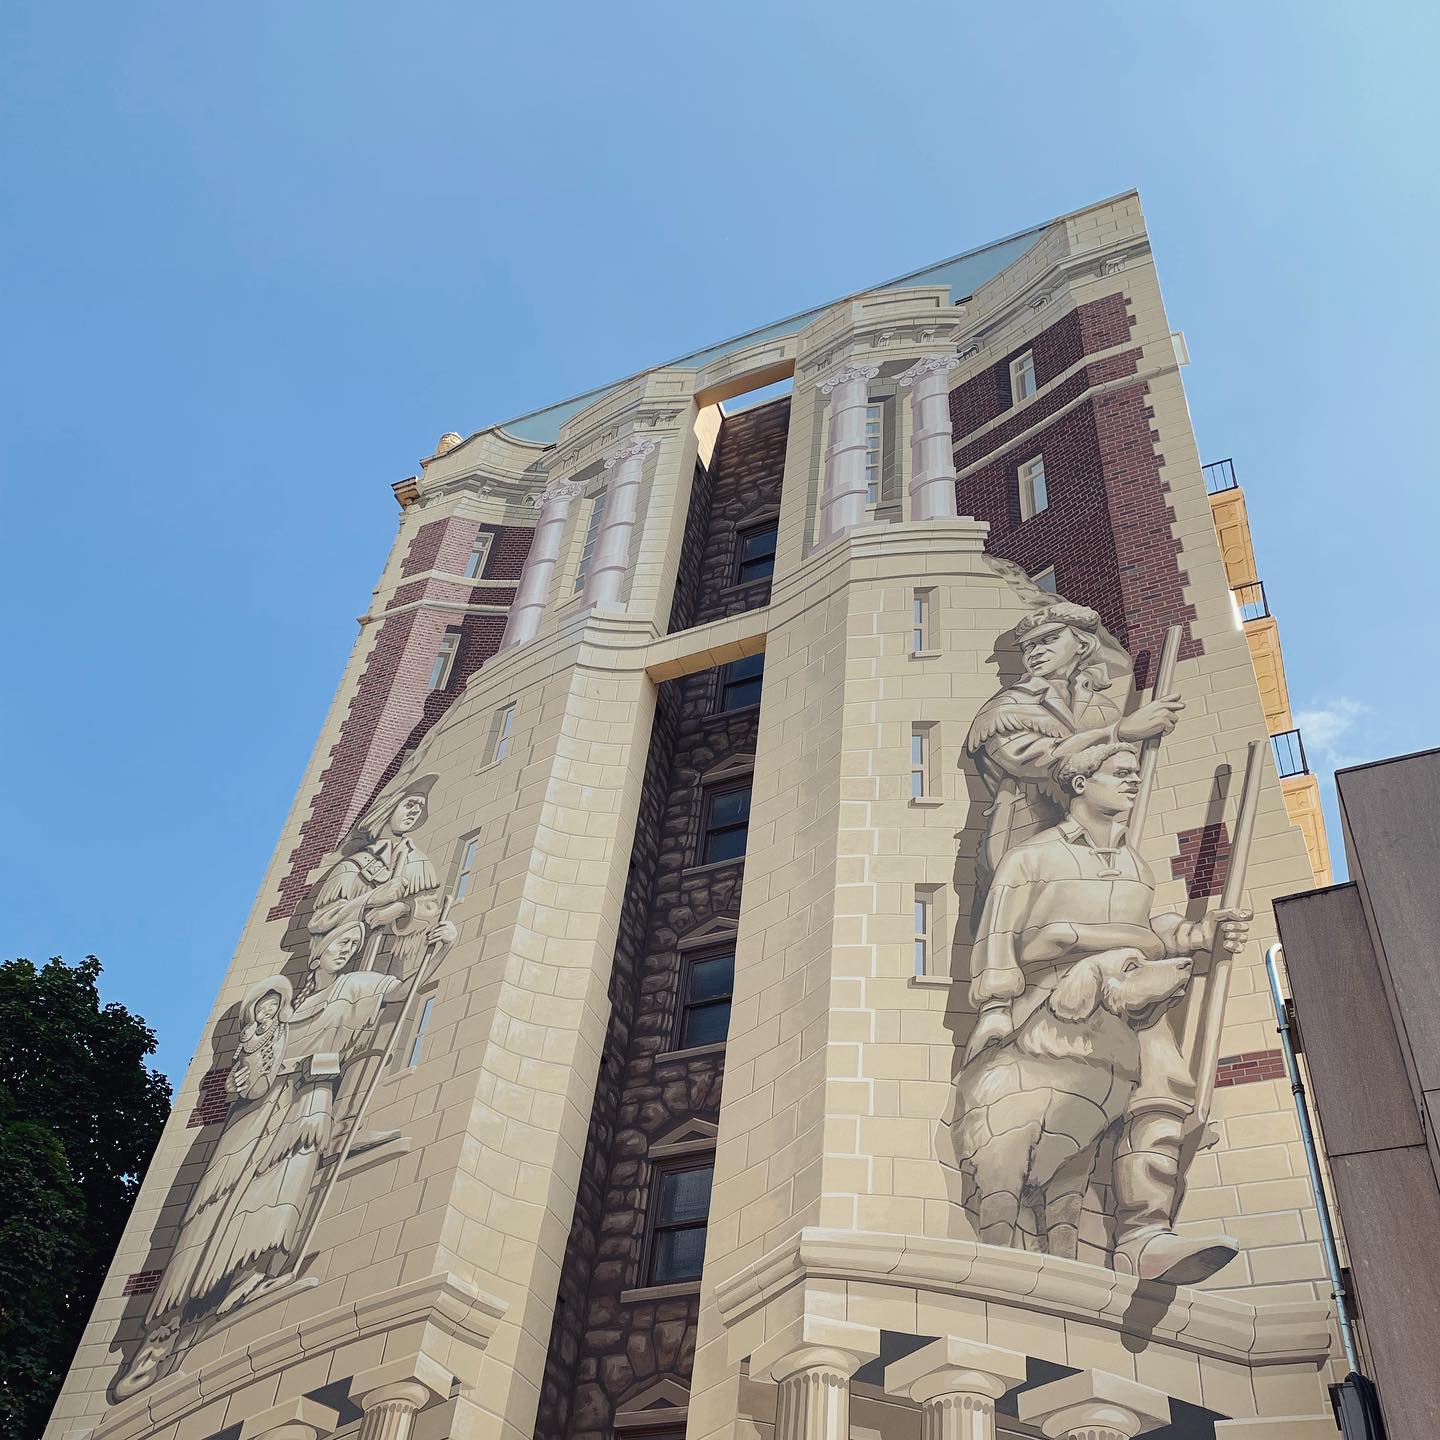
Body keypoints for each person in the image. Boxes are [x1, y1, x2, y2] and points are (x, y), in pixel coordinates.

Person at [114, 903, 454, 1398]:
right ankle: (163, 1332)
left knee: (283, 1188)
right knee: (212, 1208)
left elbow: (402, 991)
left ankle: (251, 1277)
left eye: (354, 944)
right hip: (255, 1117)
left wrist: (437, 944)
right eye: (339, 941)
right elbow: (246, 1079)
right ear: (317, 950)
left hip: (310, 1102)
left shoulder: (355, 988)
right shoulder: (277, 1014)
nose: (347, 948)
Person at [961, 740, 1251, 1284]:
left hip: (1131, 997)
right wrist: (996, 1008)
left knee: (1166, 1090)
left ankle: (1144, 1235)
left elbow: (1148, 935)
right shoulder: (1033, 857)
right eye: (1119, 772)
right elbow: (998, 932)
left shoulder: (1134, 864)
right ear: (1079, 781)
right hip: (1059, 1002)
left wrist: (1200, 935)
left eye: (1136, 773)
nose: (1132, 781)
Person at [965, 603, 1182, 923]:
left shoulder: (1102, 706)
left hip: (1096, 838)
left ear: (1081, 643)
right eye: (1029, 647)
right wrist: (1120, 732)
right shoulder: (1009, 705)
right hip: (1028, 830)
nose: (1035, 652)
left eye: (1049, 639)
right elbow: (1029, 758)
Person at [308, 774, 445, 974]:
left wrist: (402, 908)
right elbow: (320, 921)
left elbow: (430, 906)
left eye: (420, 808)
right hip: (348, 964)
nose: (415, 812)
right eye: (410, 805)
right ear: (390, 807)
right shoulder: (352, 865)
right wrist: (370, 899)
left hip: (390, 963)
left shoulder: (419, 863)